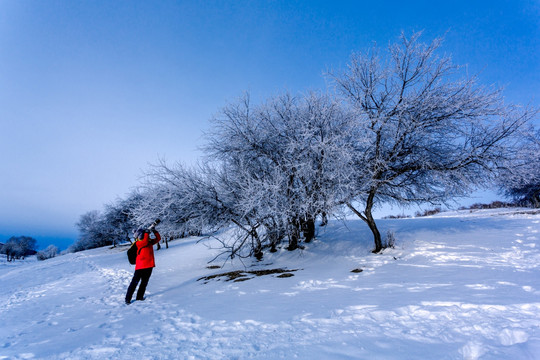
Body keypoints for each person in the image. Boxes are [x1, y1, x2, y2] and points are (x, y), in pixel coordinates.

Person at [125, 227, 161, 305]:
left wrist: (154, 231)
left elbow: (158, 238)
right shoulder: (138, 243)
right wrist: (147, 232)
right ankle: (128, 299)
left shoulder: (149, 242)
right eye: (142, 234)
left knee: (144, 283)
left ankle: (139, 297)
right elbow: (144, 242)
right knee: (134, 283)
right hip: (140, 266)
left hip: (149, 265)